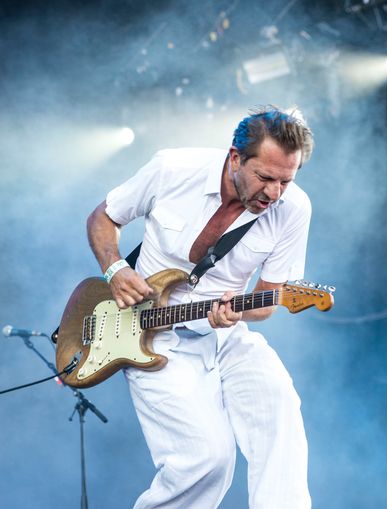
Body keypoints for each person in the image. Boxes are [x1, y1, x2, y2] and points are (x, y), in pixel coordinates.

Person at [85, 106, 314, 508]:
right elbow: (103, 217)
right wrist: (115, 268)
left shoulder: (294, 209)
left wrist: (238, 312)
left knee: (280, 412)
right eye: (265, 178)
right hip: (149, 337)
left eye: (286, 181)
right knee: (207, 461)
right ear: (236, 158)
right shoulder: (173, 169)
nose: (275, 193)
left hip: (225, 334)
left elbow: (267, 301)